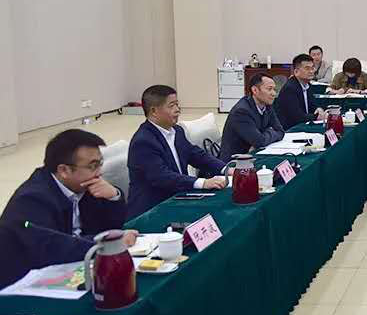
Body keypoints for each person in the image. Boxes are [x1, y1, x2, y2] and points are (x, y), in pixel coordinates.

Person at [0, 130, 137, 288]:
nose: (99, 172)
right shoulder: (32, 199)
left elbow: (112, 225)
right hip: (23, 284)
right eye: (93, 166)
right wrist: (106, 243)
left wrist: (113, 196)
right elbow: (53, 247)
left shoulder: (86, 185)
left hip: (72, 267)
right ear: (64, 170)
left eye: (100, 163)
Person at [127, 85, 228, 219]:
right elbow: (162, 177)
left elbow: (195, 155)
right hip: (153, 210)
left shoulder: (177, 130)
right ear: (154, 111)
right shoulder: (143, 141)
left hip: (179, 197)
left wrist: (226, 169)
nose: (177, 110)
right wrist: (203, 182)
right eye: (172, 106)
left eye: (177, 104)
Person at [219, 73, 285, 161]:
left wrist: (264, 135)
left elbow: (280, 131)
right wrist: (270, 131)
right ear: (255, 90)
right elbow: (259, 141)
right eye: (269, 89)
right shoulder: (241, 111)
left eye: (274, 89)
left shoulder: (267, 105)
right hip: (236, 161)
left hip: (255, 154)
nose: (274, 93)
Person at [274, 53, 325, 128]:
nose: (311, 71)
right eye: (307, 68)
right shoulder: (290, 88)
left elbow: (313, 104)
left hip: (304, 125)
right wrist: (317, 116)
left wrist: (319, 109)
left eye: (312, 68)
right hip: (290, 129)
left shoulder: (308, 85)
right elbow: (297, 117)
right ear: (296, 72)